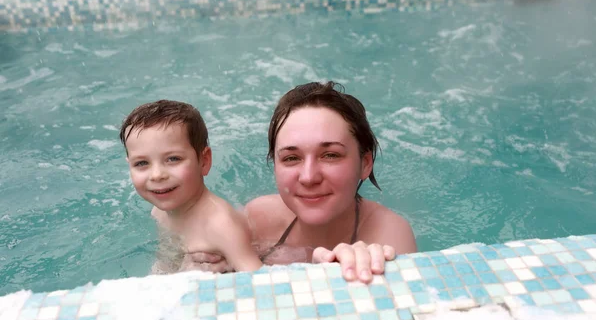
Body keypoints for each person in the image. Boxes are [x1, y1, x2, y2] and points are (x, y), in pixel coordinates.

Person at [193, 81, 417, 283]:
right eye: (291, 158)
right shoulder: (257, 219)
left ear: (365, 163)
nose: (309, 177)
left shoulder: (389, 235)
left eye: (331, 155)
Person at [119, 100, 263, 274]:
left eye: (173, 159)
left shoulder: (221, 226)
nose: (157, 175)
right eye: (142, 163)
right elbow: (165, 263)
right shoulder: (159, 212)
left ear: (204, 161)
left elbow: (261, 282)